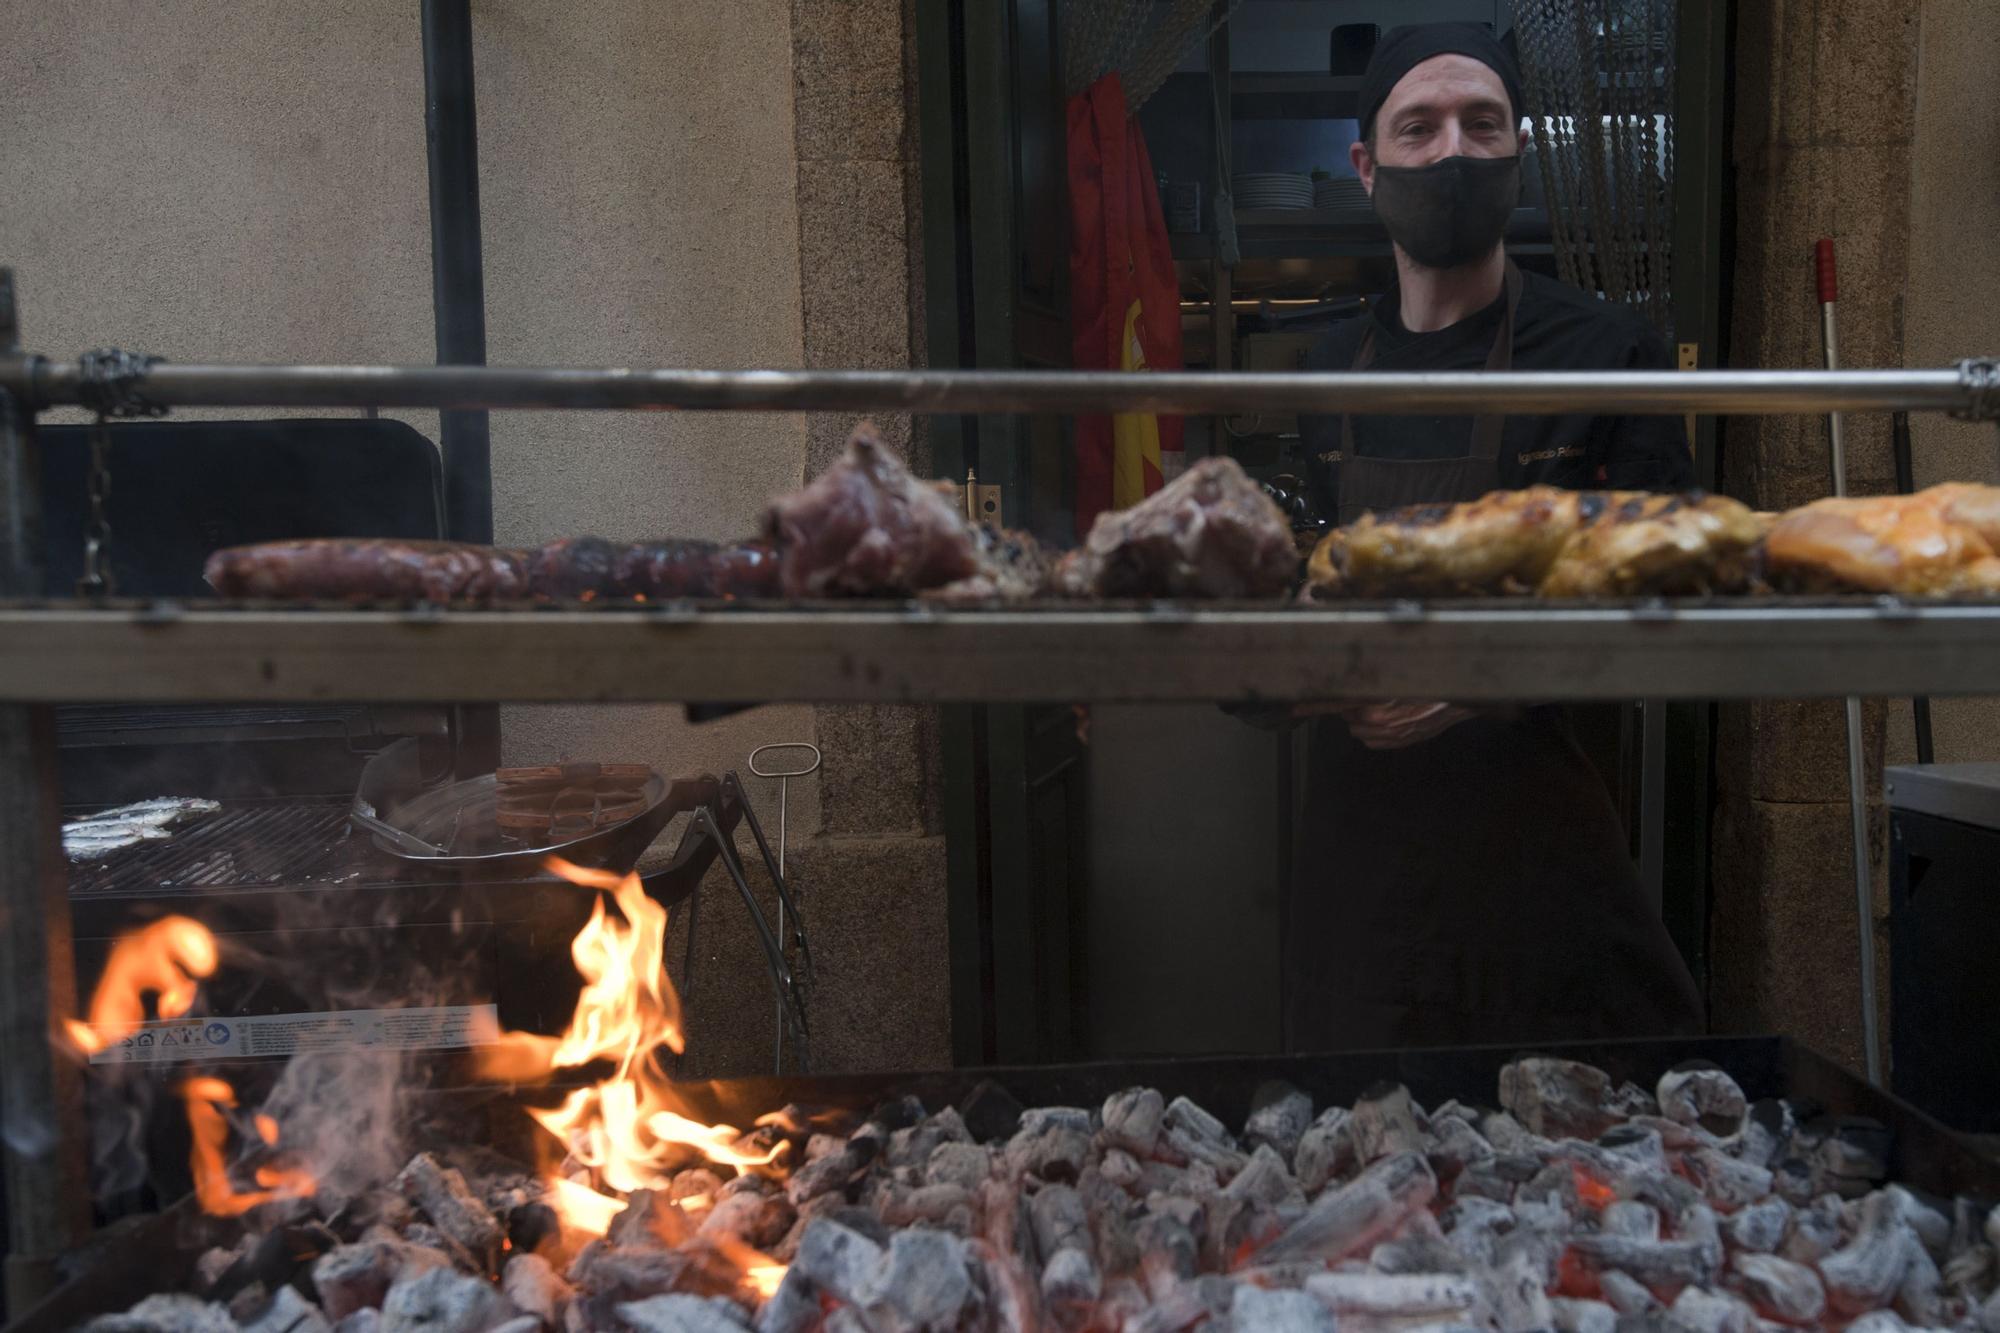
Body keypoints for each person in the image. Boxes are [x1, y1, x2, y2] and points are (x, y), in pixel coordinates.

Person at [1287, 23, 1704, 1050]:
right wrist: (1314, 670)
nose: (1452, 153)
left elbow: (1670, 601)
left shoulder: (1605, 352)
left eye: (1481, 124)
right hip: (1362, 878)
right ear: (1365, 163)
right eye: (1417, 127)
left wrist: (1478, 676)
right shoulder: (1320, 369)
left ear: (1519, 146)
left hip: (1541, 869)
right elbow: (1277, 601)